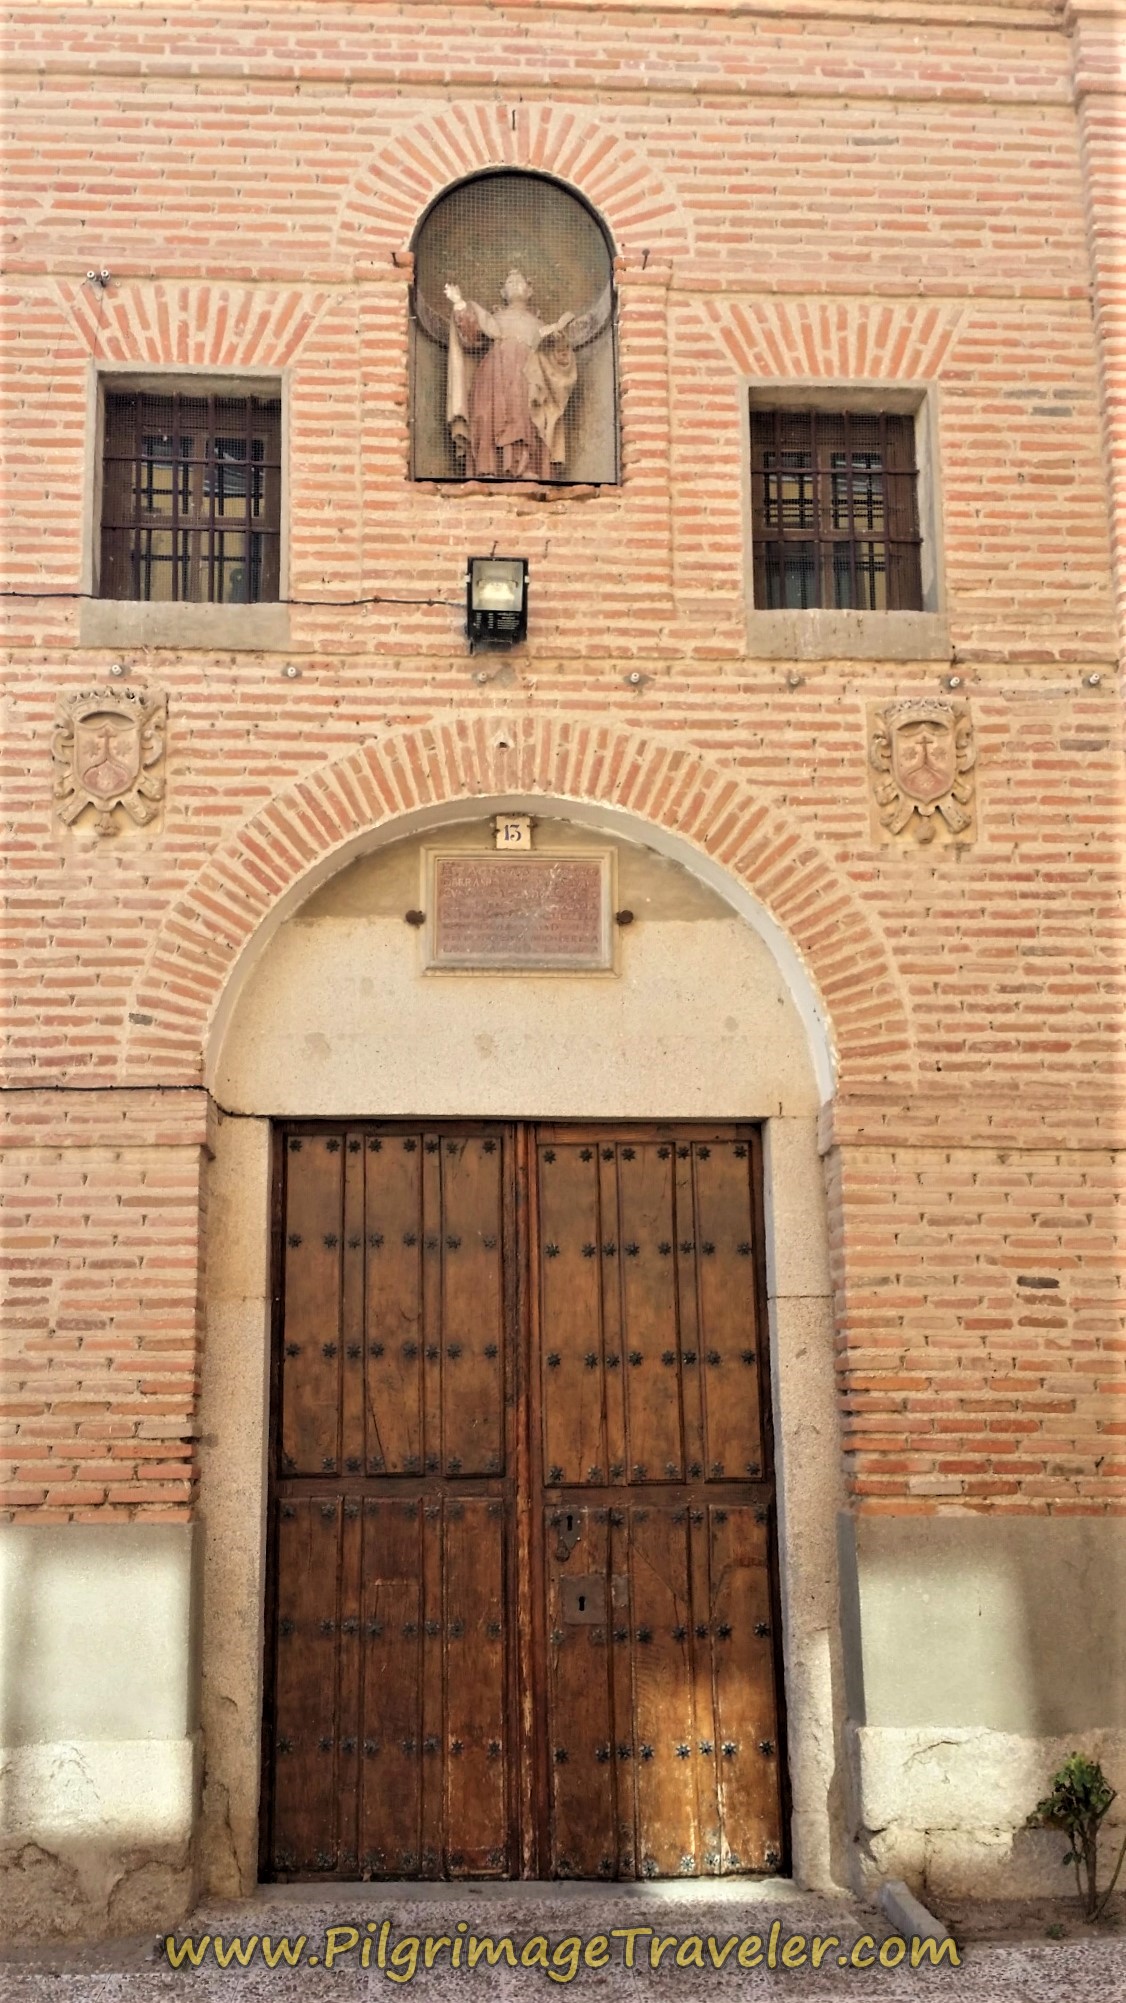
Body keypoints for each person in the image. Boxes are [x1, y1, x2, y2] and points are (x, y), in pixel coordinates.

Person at [443, 268, 578, 480]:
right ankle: (487, 468)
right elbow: (470, 338)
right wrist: (459, 303)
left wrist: (560, 341)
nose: (514, 285)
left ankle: (526, 467)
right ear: (502, 292)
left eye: (519, 281)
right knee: (487, 416)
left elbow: (557, 364)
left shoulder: (540, 325)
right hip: (493, 374)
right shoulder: (493, 318)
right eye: (509, 282)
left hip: (528, 376)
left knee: (525, 416)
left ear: (530, 290)